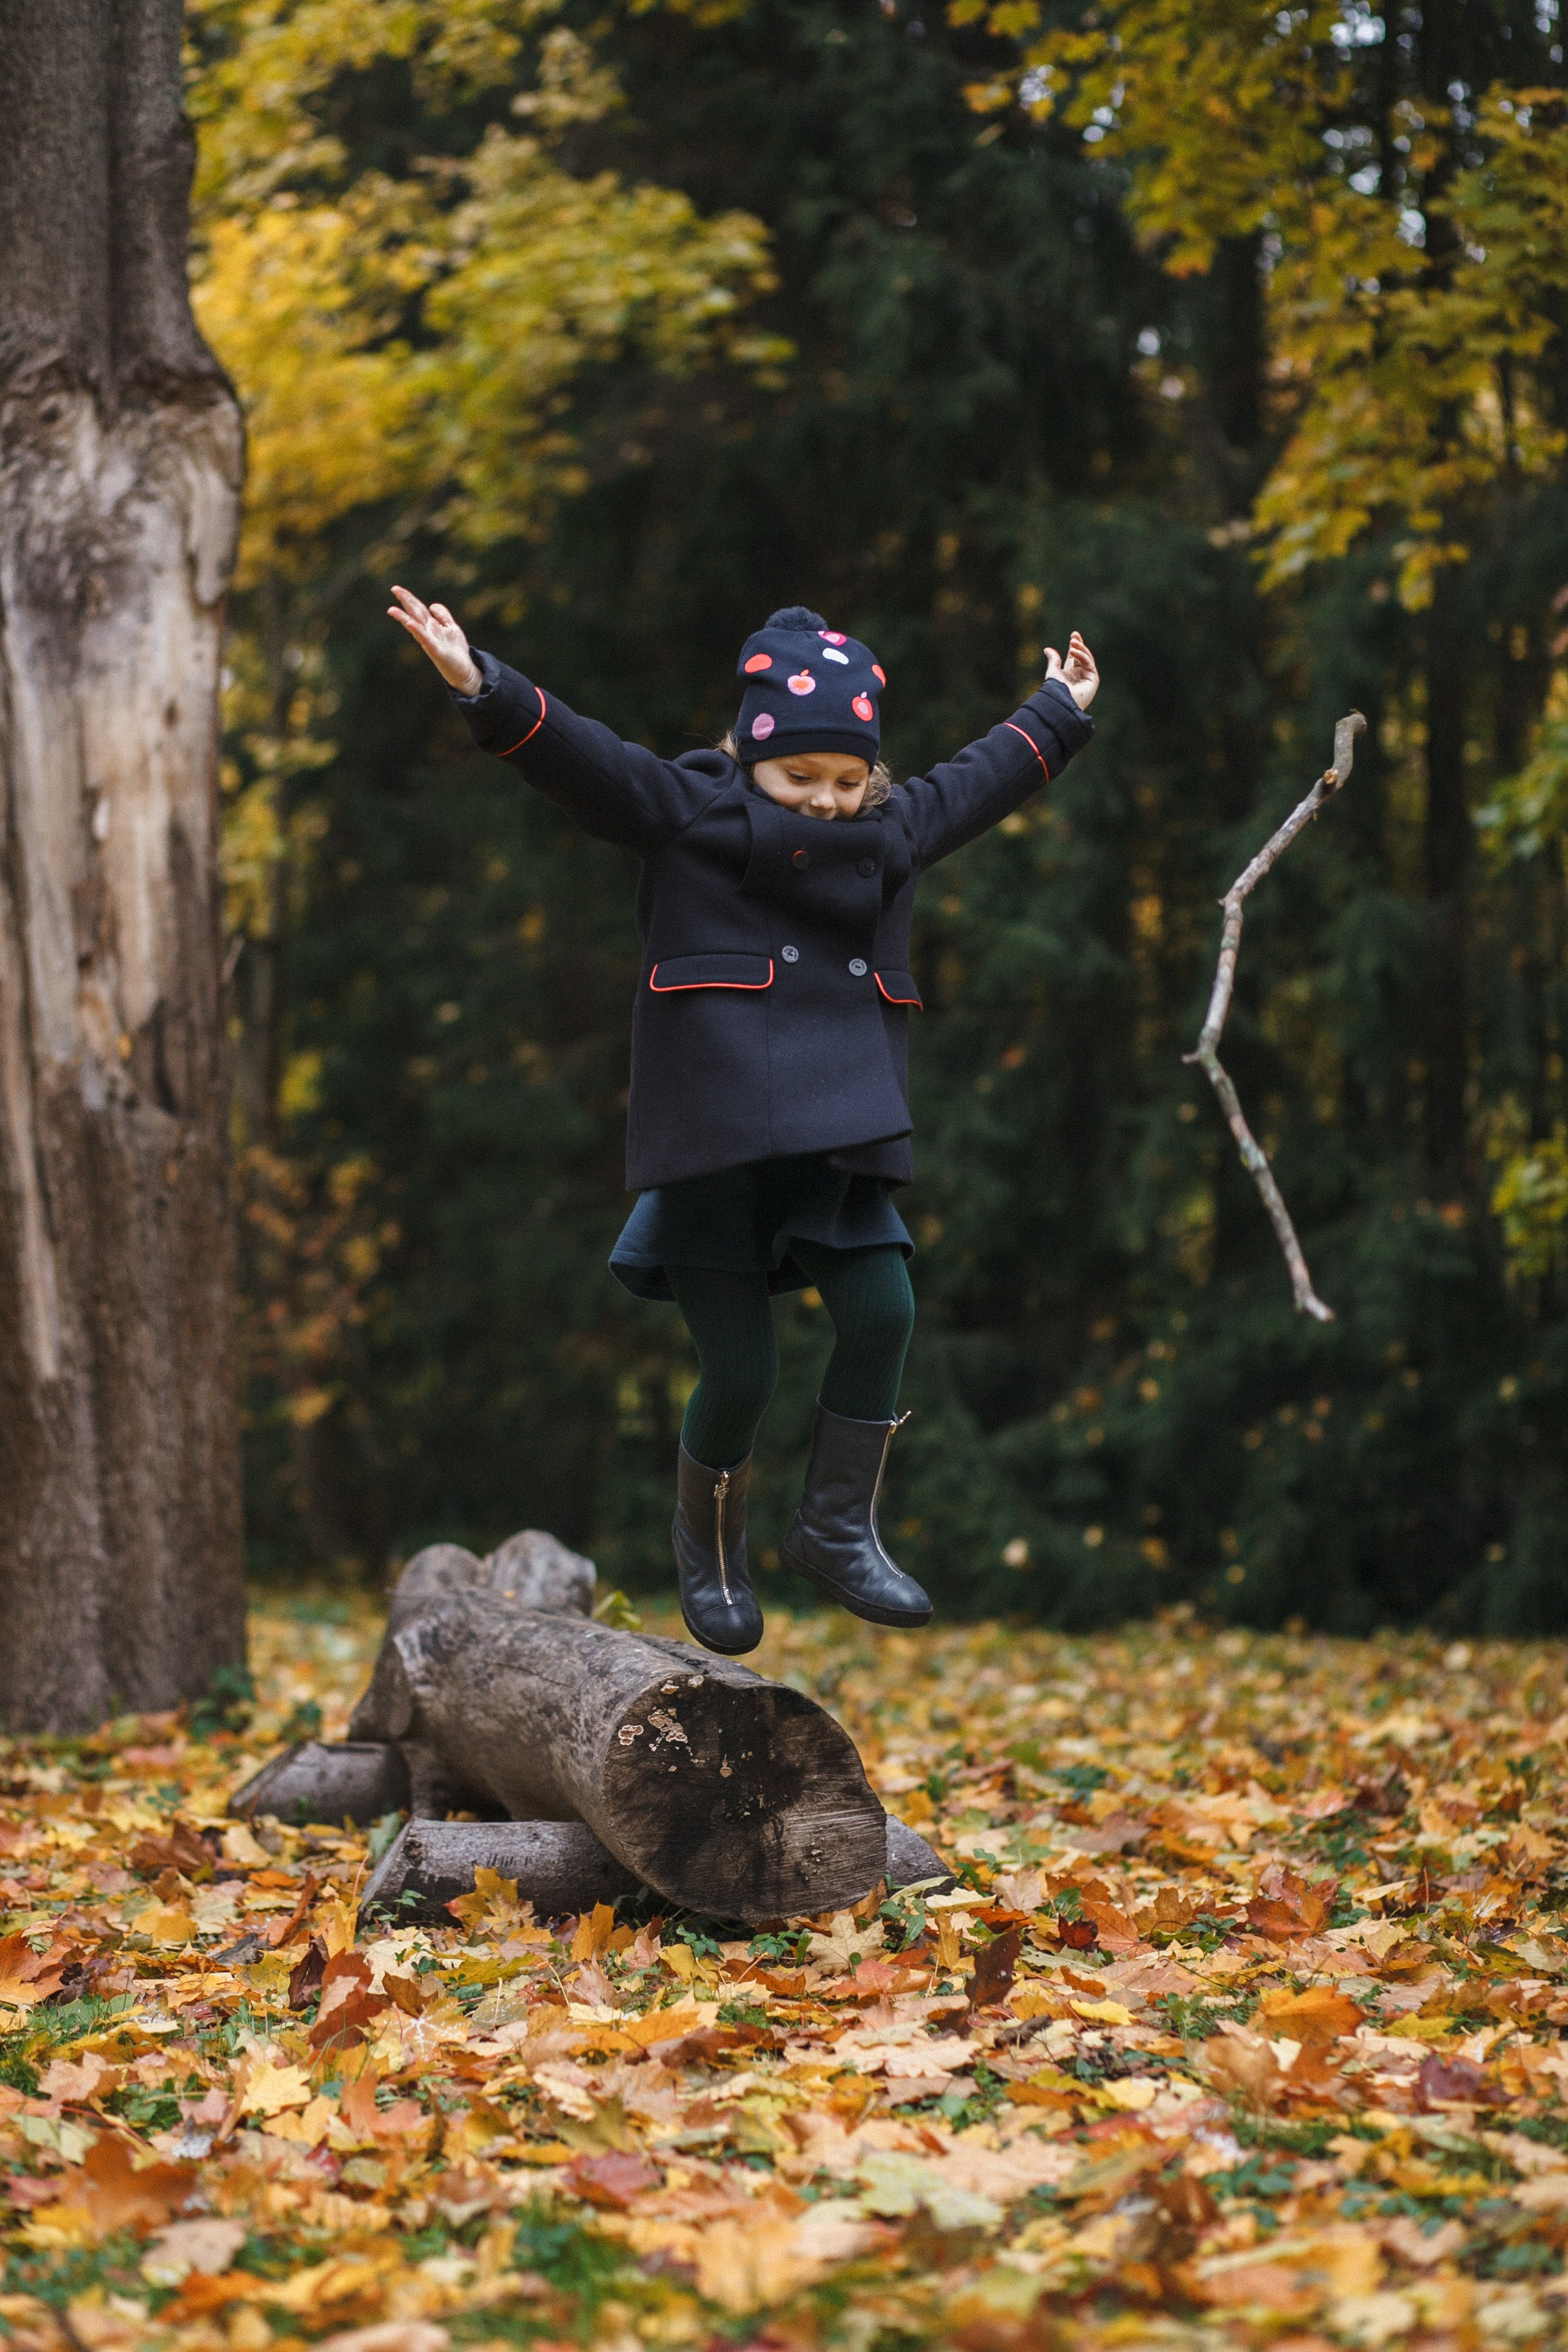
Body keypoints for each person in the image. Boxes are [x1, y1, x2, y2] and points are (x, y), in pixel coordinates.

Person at [389, 589, 1099, 1657]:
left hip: (839, 1134)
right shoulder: (691, 812)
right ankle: (710, 1549)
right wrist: (482, 684)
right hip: (718, 1136)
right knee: (744, 1368)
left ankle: (835, 1528)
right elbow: (584, 759)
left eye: (847, 782)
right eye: (800, 778)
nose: (825, 802)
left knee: (883, 1311)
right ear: (752, 756)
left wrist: (1057, 707)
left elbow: (972, 783)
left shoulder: (890, 829)